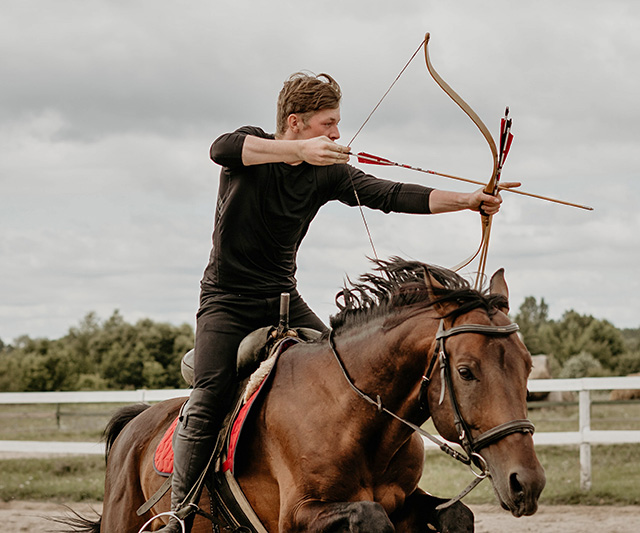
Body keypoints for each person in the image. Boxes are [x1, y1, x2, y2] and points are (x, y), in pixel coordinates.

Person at [156, 72, 512, 532]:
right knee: (207, 397)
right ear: (296, 121)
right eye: (328, 124)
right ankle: (178, 514)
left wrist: (467, 200)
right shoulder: (250, 149)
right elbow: (219, 148)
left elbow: (391, 194)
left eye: (338, 124)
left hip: (284, 301)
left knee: (342, 384)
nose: (337, 135)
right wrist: (299, 151)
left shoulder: (325, 175)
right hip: (226, 303)